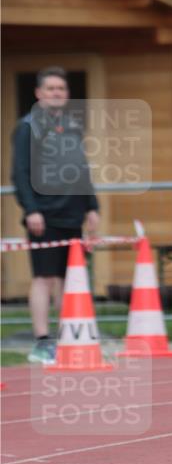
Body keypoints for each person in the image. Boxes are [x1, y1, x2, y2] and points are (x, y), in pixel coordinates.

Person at [11, 67, 100, 363]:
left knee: (69, 279)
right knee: (44, 278)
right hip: (44, 215)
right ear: (39, 94)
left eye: (61, 89)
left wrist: (92, 207)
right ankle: (42, 341)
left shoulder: (72, 126)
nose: (56, 93)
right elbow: (20, 173)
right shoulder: (27, 127)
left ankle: (67, 338)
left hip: (73, 213)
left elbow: (81, 167)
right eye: (50, 89)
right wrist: (31, 209)